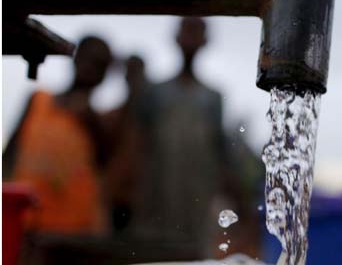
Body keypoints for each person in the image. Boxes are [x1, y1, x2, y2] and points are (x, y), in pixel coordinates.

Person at [133, 17, 233, 249]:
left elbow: (220, 150)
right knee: (156, 251)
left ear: (205, 41)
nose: (191, 38)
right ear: (176, 37)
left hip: (198, 196)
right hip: (159, 193)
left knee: (194, 254)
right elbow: (138, 143)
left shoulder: (212, 98)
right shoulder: (156, 93)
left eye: (196, 32)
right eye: (187, 31)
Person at [3, 36, 112, 235]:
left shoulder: (99, 121)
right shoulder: (38, 100)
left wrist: (91, 123)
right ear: (76, 58)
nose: (90, 69)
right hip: (25, 219)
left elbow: (106, 164)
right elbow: (10, 151)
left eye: (99, 65)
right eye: (87, 59)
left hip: (73, 230)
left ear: (105, 74)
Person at [103, 55, 148, 233]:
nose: (134, 80)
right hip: (113, 200)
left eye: (138, 74)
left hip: (142, 202)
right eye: (130, 74)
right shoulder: (114, 116)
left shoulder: (152, 121)